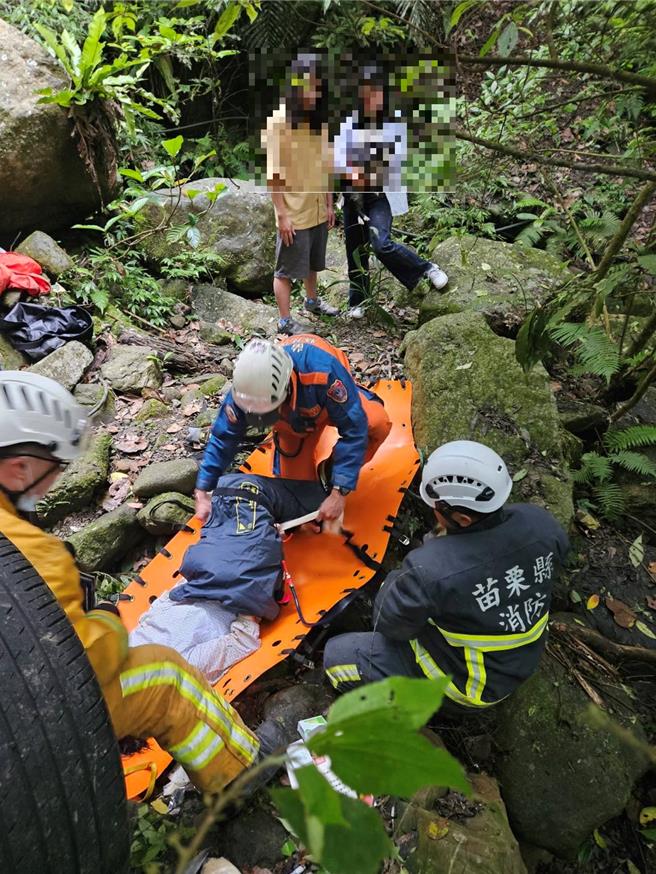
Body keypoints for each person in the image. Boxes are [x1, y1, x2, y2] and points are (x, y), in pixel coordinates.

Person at [0, 371, 269, 794]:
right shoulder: (34, 555)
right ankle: (243, 777)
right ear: (18, 468)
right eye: (54, 469)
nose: (56, 481)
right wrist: (107, 622)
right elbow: (86, 662)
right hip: (30, 709)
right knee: (167, 678)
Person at [323, 440, 570, 712]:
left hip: (471, 687)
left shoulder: (431, 569)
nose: (434, 512)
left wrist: (399, 578)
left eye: (437, 508)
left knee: (336, 657)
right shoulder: (541, 523)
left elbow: (388, 624)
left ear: (462, 519)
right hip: (520, 659)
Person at [194, 334, 392, 526]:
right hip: (293, 426)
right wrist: (204, 487)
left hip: (327, 404)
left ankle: (331, 471)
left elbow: (354, 428)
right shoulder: (245, 389)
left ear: (285, 390)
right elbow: (223, 437)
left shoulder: (324, 374)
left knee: (376, 423)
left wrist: (339, 491)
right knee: (297, 499)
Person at [334, 63, 448, 319]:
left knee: (380, 243)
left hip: (379, 195)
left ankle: (426, 268)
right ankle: (358, 300)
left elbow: (395, 160)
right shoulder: (349, 122)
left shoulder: (393, 123)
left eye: (375, 92)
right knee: (355, 249)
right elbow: (339, 160)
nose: (370, 98)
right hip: (353, 196)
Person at [262, 52, 338, 335]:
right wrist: (282, 215)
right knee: (286, 269)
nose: (313, 92)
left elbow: (326, 163)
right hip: (294, 209)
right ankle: (284, 320)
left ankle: (312, 301)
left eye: (317, 86)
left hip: (317, 205)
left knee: (312, 261)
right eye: (308, 85)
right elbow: (273, 174)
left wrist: (330, 202)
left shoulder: (319, 120)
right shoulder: (279, 122)